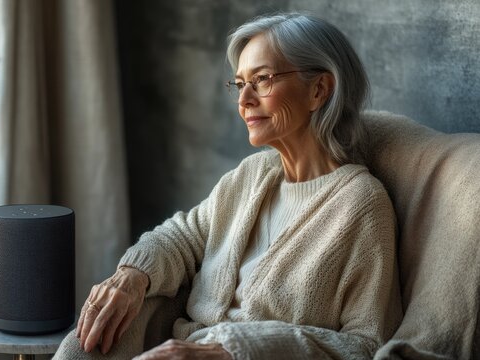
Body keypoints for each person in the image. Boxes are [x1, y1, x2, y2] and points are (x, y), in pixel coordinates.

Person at [54, 12, 402, 359]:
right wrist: (132, 274)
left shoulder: (362, 204)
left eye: (262, 80)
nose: (244, 99)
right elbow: (183, 237)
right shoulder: (251, 175)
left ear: (318, 90)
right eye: (240, 83)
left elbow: (365, 345)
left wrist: (233, 351)